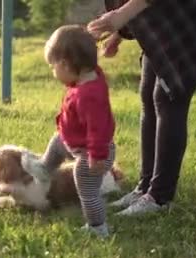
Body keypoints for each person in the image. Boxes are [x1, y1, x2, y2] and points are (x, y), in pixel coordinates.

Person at [89, 0, 196, 215]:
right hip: (161, 16)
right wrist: (119, 32)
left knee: (168, 98)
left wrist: (120, 16)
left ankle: (160, 197)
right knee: (149, 94)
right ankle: (145, 188)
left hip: (189, 14)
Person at [23, 25, 116, 237]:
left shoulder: (89, 95)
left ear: (65, 64)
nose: (52, 71)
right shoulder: (89, 76)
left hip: (93, 154)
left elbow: (98, 129)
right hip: (75, 142)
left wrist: (97, 156)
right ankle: (45, 168)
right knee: (58, 141)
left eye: (52, 66)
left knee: (87, 192)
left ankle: (98, 228)